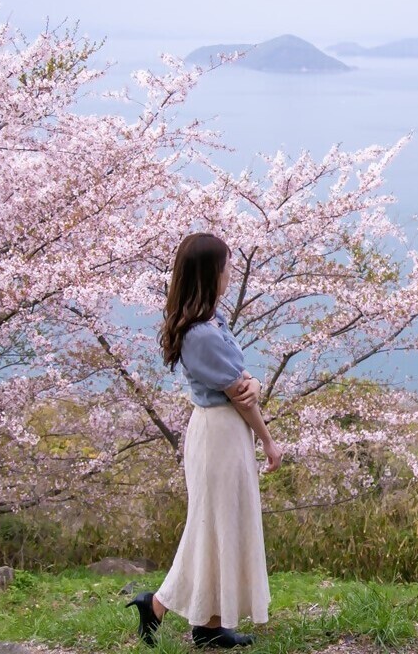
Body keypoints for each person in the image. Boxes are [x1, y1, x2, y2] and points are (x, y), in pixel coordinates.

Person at [127, 232, 283, 649]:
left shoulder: (210, 323)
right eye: (226, 265)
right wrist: (268, 440)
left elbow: (242, 381)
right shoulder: (204, 334)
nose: (231, 272)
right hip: (220, 433)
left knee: (220, 525)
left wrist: (251, 381)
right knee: (213, 524)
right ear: (210, 272)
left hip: (221, 430)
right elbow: (240, 394)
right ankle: (157, 605)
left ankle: (210, 626)